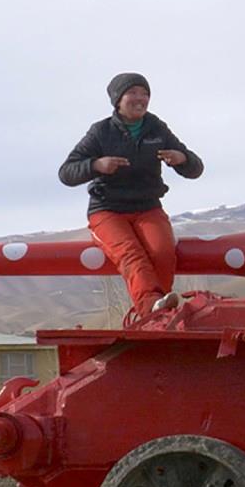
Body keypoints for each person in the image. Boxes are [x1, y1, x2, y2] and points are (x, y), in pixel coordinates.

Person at [58, 73, 203, 315]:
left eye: (145, 94)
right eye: (133, 93)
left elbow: (196, 168)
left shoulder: (156, 128)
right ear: (118, 100)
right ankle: (150, 309)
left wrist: (182, 159)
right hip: (107, 210)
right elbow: (66, 173)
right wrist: (96, 165)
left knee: (162, 252)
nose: (140, 98)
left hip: (148, 207)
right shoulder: (101, 131)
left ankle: (157, 311)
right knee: (131, 254)